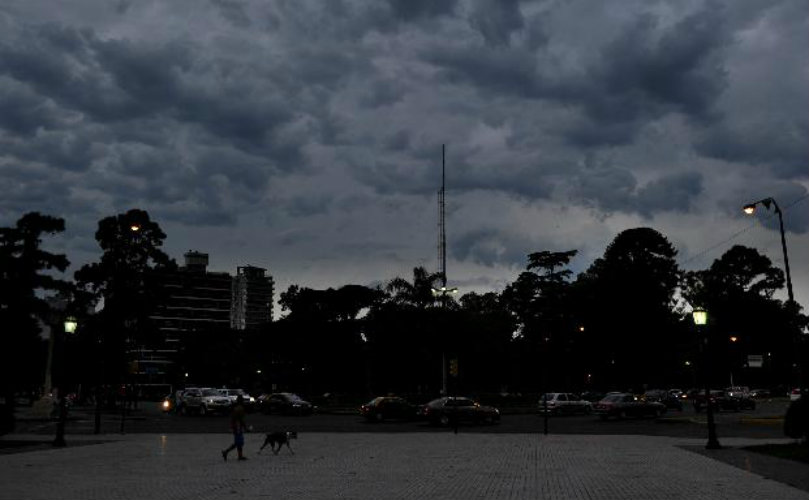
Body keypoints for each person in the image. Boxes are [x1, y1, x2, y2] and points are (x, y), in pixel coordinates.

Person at [221, 395, 248, 461]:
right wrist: (245, 427)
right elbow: (241, 419)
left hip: (236, 426)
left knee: (239, 442)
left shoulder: (236, 408)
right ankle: (226, 452)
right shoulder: (240, 408)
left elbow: (233, 418)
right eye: (242, 400)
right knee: (239, 442)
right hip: (238, 426)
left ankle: (240, 456)